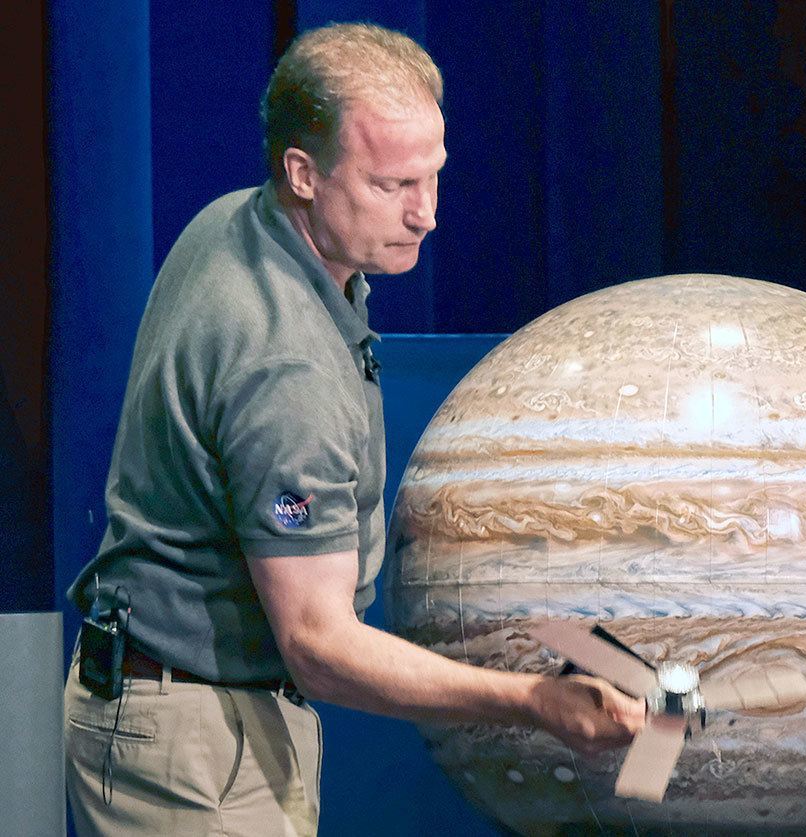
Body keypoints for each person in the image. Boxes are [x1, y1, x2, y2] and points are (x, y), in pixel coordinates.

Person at [63, 22, 644, 836]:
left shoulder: (238, 222)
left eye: (434, 177)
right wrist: (532, 701)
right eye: (392, 185)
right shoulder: (283, 365)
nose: (427, 215)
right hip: (197, 746)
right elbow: (318, 643)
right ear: (302, 173)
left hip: (167, 705)